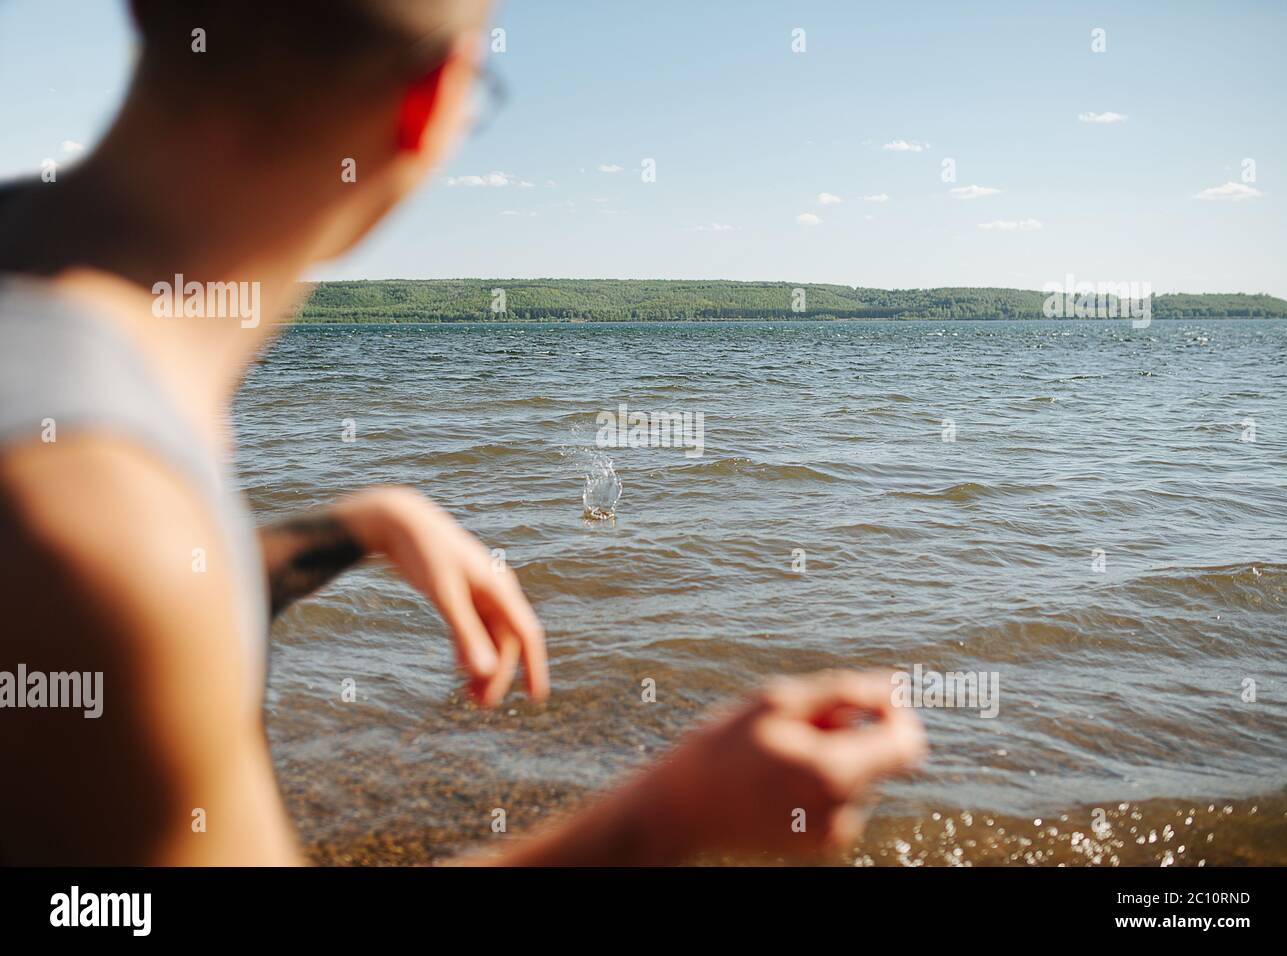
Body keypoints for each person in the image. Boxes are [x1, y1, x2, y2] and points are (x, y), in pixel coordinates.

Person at [0, 0, 926, 865]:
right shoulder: (104, 538)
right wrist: (671, 814)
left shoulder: (67, 400)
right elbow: (106, 587)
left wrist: (356, 527)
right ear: (431, 100)